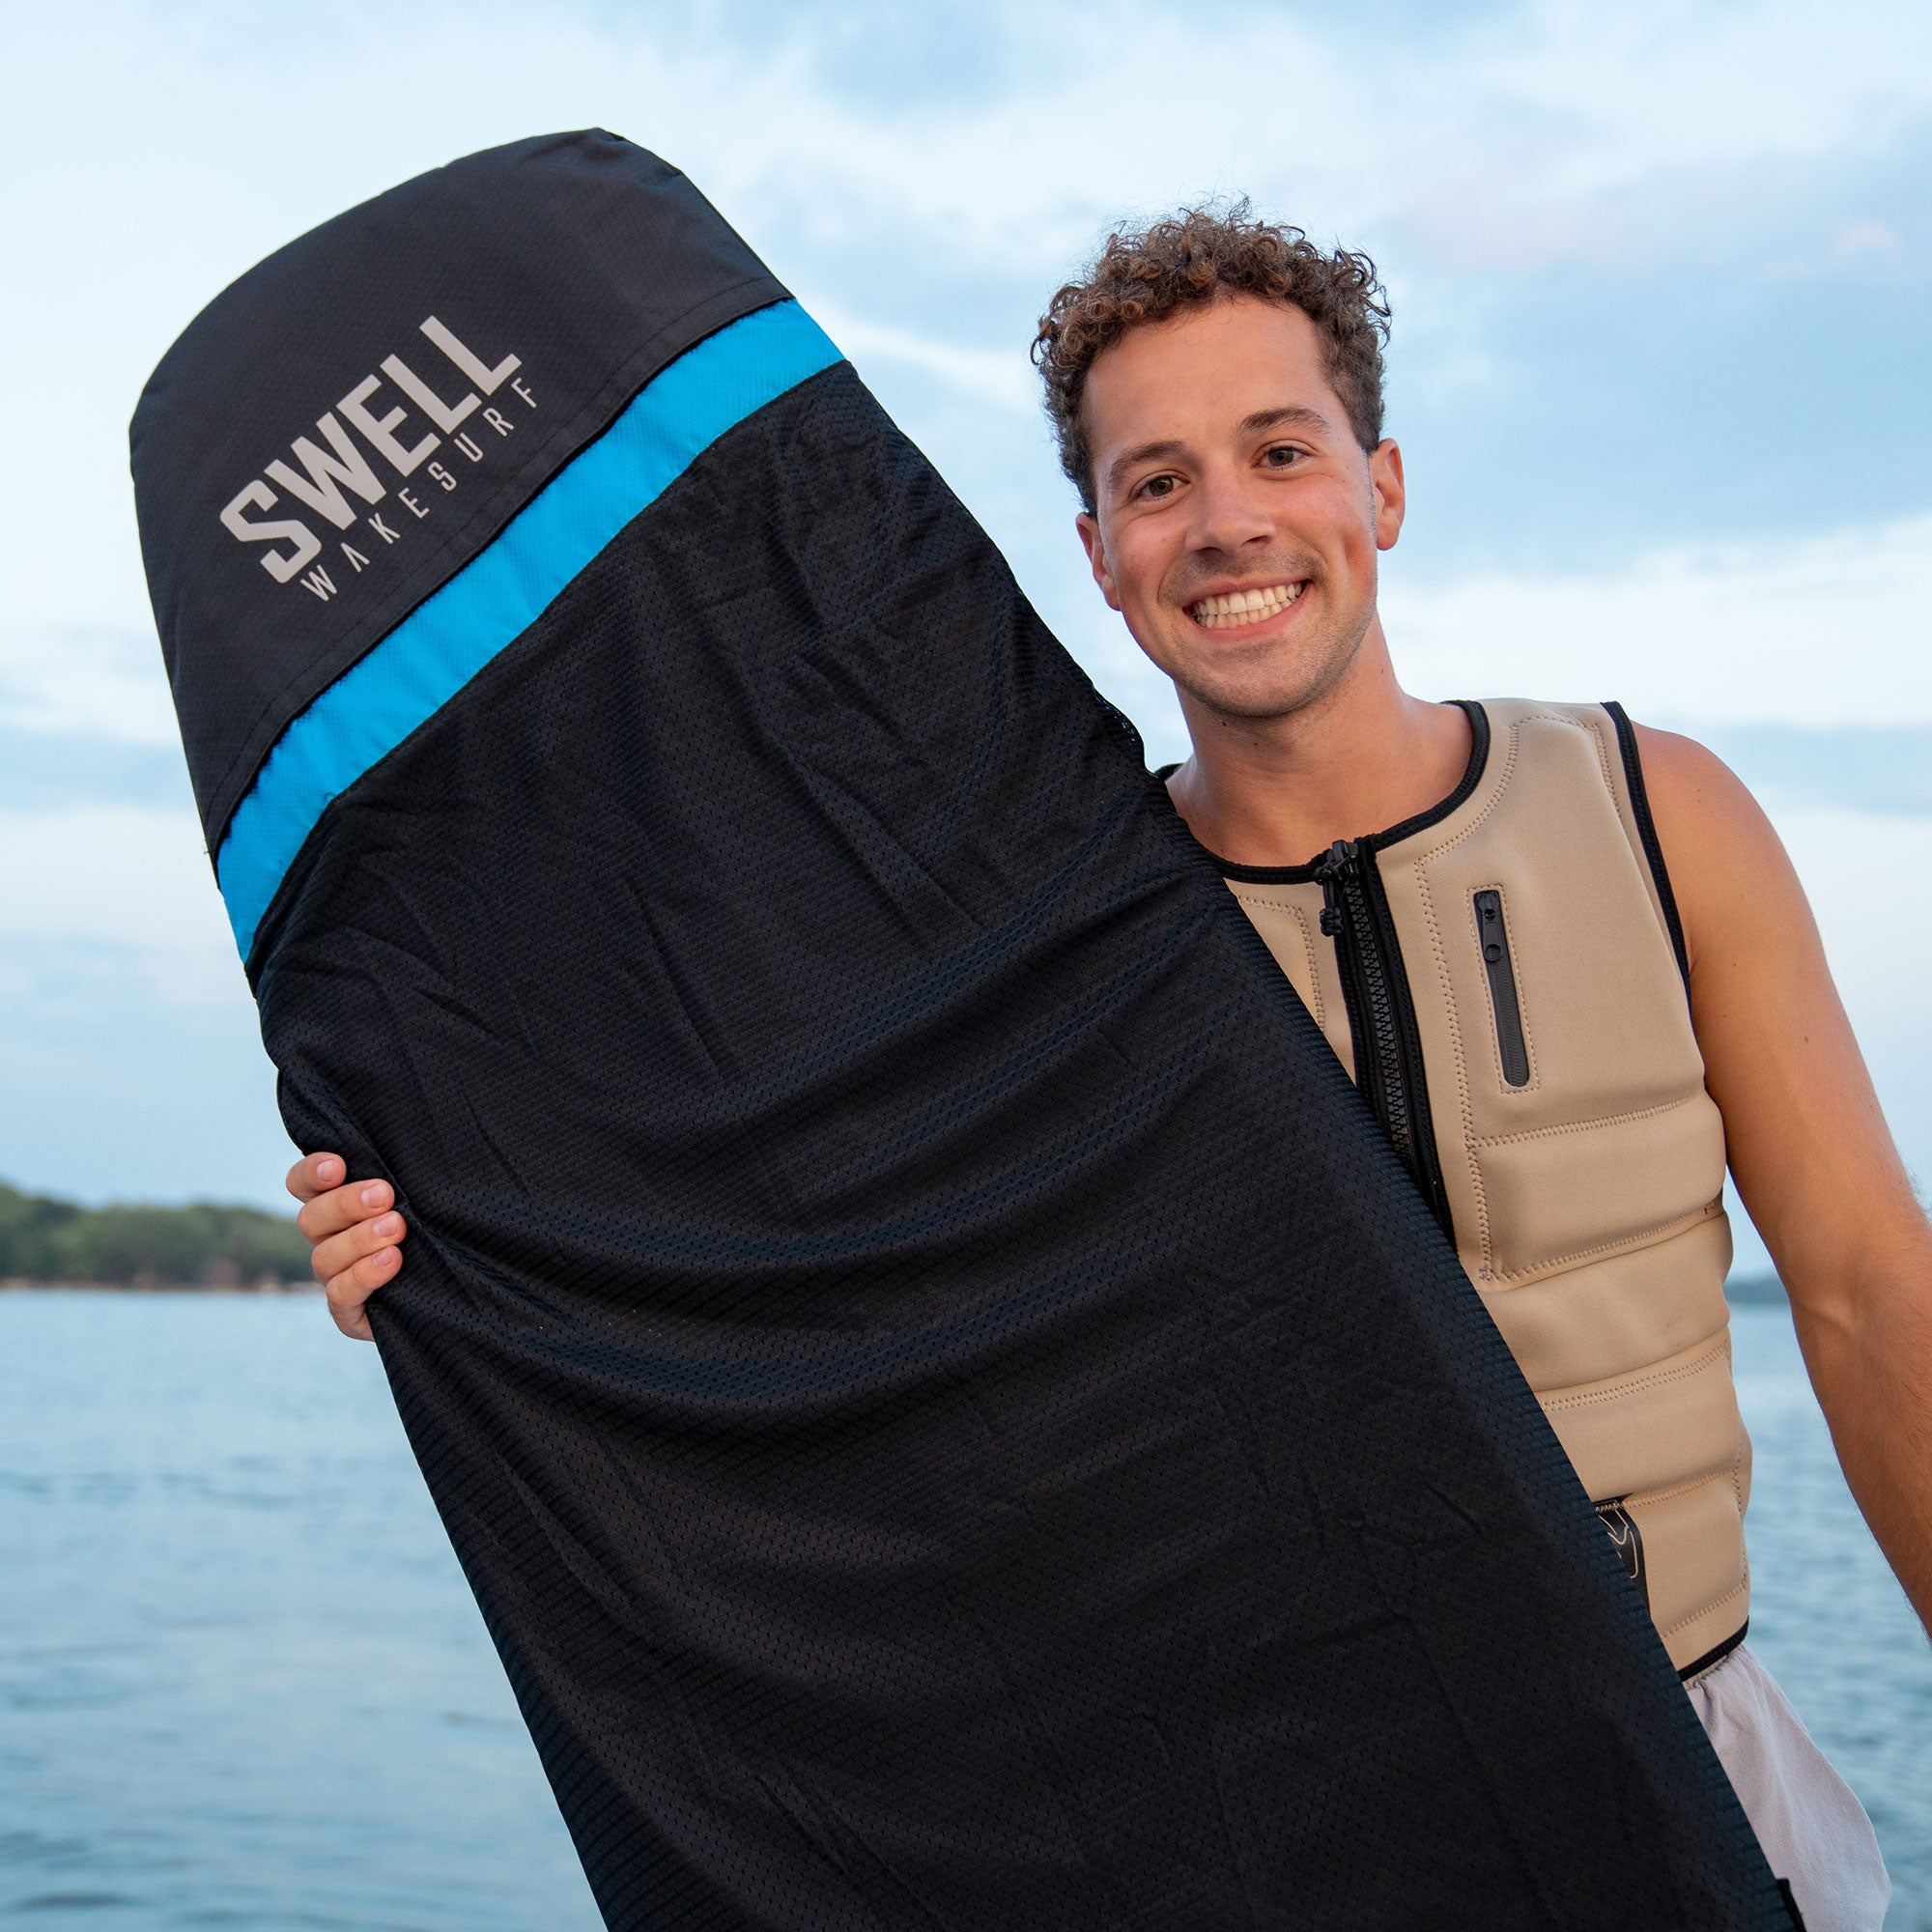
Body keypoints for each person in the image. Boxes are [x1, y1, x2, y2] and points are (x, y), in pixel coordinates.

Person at [288, 207, 1924, 1927]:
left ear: (1381, 488)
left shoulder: (1656, 815)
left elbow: (1876, 1293)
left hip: (1695, 1760)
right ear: (1094, 549)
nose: (1227, 524)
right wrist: (442, 1249)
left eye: (1278, 452)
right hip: (1289, 1825)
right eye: (1157, 483)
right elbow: (761, 1249)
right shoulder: (1041, 940)